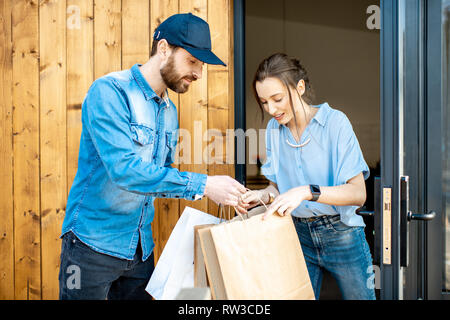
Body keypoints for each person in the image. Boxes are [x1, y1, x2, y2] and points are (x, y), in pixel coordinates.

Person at [59, 13, 246, 300]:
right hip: (90, 248)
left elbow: (160, 175)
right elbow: (124, 170)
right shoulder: (110, 92)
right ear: (163, 49)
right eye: (192, 61)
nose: (198, 73)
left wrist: (220, 192)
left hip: (140, 251)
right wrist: (204, 184)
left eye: (201, 65)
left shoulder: (168, 111)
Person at [240, 53, 376, 300]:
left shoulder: (336, 123)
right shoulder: (273, 130)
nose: (271, 110)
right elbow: (277, 188)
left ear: (299, 87)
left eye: (277, 99)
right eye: (264, 102)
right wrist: (262, 195)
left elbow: (358, 194)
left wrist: (306, 191)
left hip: (342, 235)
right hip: (297, 234)